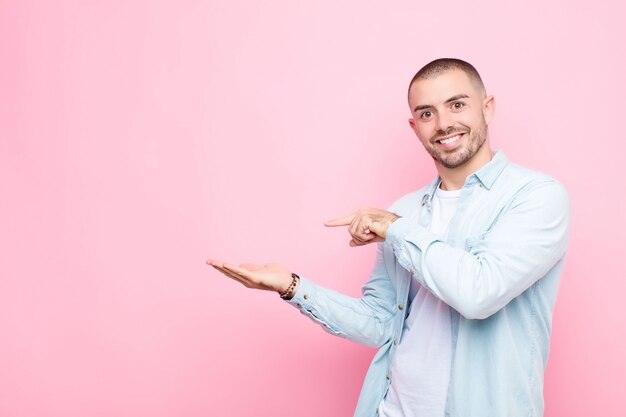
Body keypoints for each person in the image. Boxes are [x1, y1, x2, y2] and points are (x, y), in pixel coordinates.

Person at [207, 58, 570, 417]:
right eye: (427, 113)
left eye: (457, 105)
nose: (444, 124)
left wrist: (395, 228)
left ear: (487, 108)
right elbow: (382, 323)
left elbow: (478, 293)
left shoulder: (536, 196)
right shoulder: (406, 210)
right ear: (414, 127)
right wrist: (292, 285)